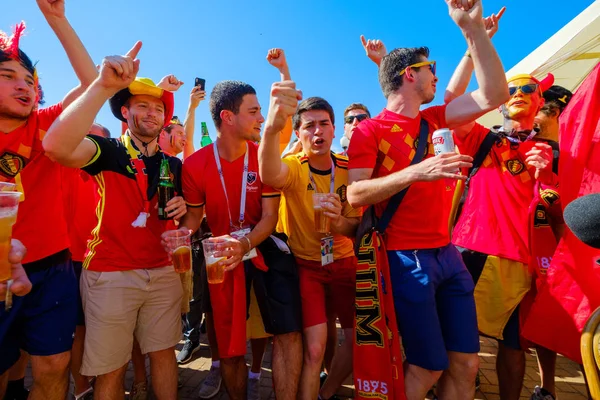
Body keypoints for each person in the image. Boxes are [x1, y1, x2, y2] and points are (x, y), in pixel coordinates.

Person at [346, 0, 509, 398]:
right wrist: (418, 172)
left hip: (447, 254)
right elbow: (355, 194)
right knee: (428, 365)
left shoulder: (434, 119)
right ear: (409, 75)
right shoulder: (369, 130)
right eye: (430, 68)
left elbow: (494, 94)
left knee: (468, 364)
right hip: (405, 258)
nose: (436, 75)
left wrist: (471, 33)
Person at [42, 43, 188, 400]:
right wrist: (102, 86)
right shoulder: (107, 150)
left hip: (163, 271)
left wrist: (186, 212)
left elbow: (195, 215)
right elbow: (57, 147)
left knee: (164, 354)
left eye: (158, 108)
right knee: (112, 367)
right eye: (142, 106)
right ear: (125, 112)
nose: (152, 114)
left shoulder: (175, 165)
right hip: (110, 272)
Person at [164, 80, 303, 400]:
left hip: (263, 245)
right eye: (253, 111)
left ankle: (265, 380)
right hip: (219, 252)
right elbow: (195, 219)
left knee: (288, 331)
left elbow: (270, 216)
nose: (260, 118)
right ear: (228, 117)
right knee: (228, 347)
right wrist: (180, 234)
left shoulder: (262, 156)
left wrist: (245, 243)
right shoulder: (196, 164)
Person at [0, 1, 97, 398]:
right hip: (1, 270)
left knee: (55, 365)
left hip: (54, 267)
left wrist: (58, 20)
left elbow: (94, 83)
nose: (24, 85)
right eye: (8, 76)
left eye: (29, 79)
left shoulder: (47, 125)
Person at [260, 91, 361, 400]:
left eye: (324, 124)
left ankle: (326, 392)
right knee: (315, 347)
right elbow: (268, 173)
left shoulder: (349, 167)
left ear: (334, 129)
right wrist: (271, 128)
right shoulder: (294, 166)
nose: (318, 131)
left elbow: (355, 228)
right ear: (298, 133)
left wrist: (338, 223)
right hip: (307, 268)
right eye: (309, 126)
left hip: (344, 263)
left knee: (358, 341)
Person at [61, 122, 110, 400]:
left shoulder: (111, 172)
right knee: (80, 330)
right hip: (75, 262)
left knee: (105, 330)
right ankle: (82, 389)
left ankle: (105, 382)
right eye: (82, 136)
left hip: (108, 261)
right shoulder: (68, 169)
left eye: (92, 139)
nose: (85, 144)